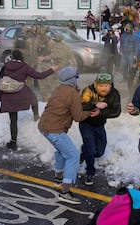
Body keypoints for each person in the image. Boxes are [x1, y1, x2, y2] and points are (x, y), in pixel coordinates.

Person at [38, 67, 100, 205]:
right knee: (73, 155)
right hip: (55, 129)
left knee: (61, 150)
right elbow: (78, 116)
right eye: (76, 77)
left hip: (44, 126)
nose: (77, 80)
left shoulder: (59, 89)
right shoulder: (72, 93)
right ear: (72, 79)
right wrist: (90, 112)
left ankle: (58, 178)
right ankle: (65, 192)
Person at [0, 50, 58, 150]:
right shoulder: (24, 67)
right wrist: (51, 70)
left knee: (13, 119)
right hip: (20, 93)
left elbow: (0, 82)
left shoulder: (5, 67)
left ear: (12, 57)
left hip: (8, 95)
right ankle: (36, 116)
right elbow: (40, 76)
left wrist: (1, 97)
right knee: (33, 98)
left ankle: (13, 142)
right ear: (21, 58)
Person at [79, 73, 121, 186]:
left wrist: (101, 112)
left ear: (110, 86)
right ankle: (90, 172)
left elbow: (116, 111)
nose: (103, 88)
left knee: (99, 152)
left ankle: (84, 151)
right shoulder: (88, 90)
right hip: (86, 123)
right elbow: (82, 105)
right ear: (96, 85)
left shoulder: (114, 94)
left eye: (106, 86)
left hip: (99, 125)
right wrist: (96, 104)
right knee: (91, 149)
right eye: (101, 86)